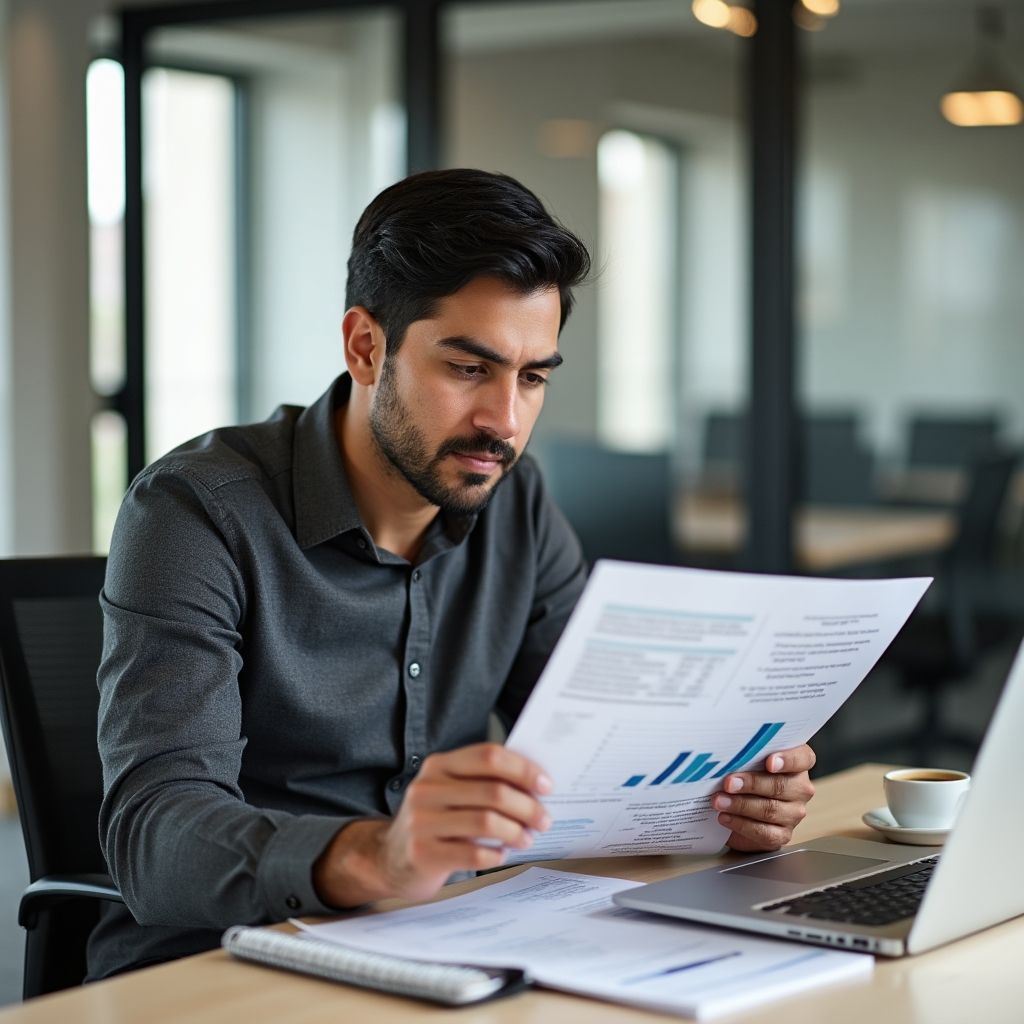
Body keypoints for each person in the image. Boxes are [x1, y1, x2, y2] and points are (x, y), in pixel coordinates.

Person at [88, 169, 815, 979]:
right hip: (226, 964)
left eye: (532, 376)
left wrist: (722, 799)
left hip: (462, 938)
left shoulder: (518, 503)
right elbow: (153, 836)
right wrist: (377, 857)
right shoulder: (197, 512)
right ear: (367, 346)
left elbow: (606, 748)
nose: (505, 421)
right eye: (469, 369)